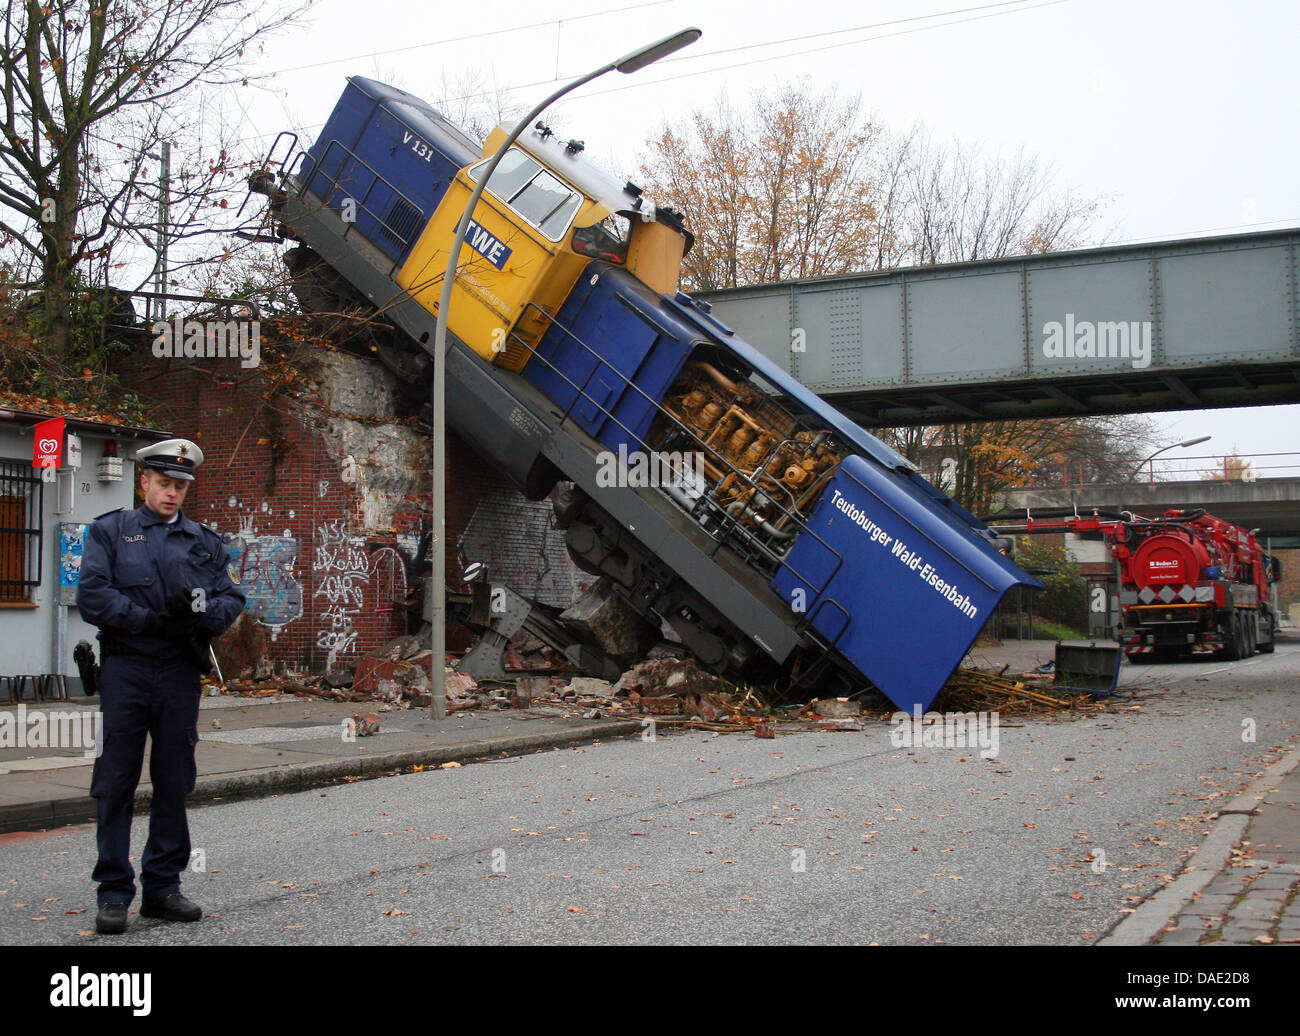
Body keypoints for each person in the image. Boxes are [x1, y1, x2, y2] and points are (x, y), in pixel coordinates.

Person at [76, 438, 245, 934]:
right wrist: (149, 620)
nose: (171, 493)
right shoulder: (112, 533)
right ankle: (113, 891)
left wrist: (201, 619)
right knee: (115, 780)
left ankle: (163, 888)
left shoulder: (204, 542)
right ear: (143, 482)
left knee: (174, 778)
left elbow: (231, 596)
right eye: (163, 483)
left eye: (179, 486)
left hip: (177, 669)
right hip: (127, 668)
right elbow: (93, 595)